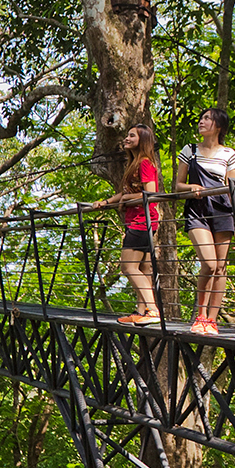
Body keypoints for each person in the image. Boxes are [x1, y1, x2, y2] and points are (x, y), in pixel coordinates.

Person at [174, 107, 235, 335]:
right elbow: (178, 185)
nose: (202, 122)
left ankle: (212, 320)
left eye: (207, 119)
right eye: (201, 118)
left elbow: (234, 190)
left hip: (223, 211)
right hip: (197, 210)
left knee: (221, 268)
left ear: (218, 126)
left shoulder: (228, 154)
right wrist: (191, 187)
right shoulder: (189, 150)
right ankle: (200, 315)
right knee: (209, 264)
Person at [93, 124, 163, 325]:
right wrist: (106, 202)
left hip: (143, 220)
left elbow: (150, 194)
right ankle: (141, 310)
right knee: (143, 268)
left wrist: (128, 198)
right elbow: (125, 193)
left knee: (128, 267)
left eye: (132, 135)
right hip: (137, 220)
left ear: (143, 140)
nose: (126, 138)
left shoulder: (145, 163)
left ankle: (152, 309)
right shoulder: (134, 163)